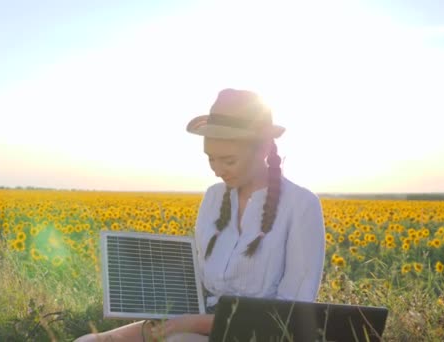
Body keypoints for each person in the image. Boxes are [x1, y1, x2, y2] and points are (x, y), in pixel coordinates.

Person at [74, 88, 326, 342]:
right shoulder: (213, 197)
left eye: (228, 161)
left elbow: (291, 313)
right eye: (211, 159)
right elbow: (198, 281)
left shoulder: (301, 205)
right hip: (194, 320)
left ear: (262, 150)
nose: (218, 171)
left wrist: (195, 324)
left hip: (257, 335)